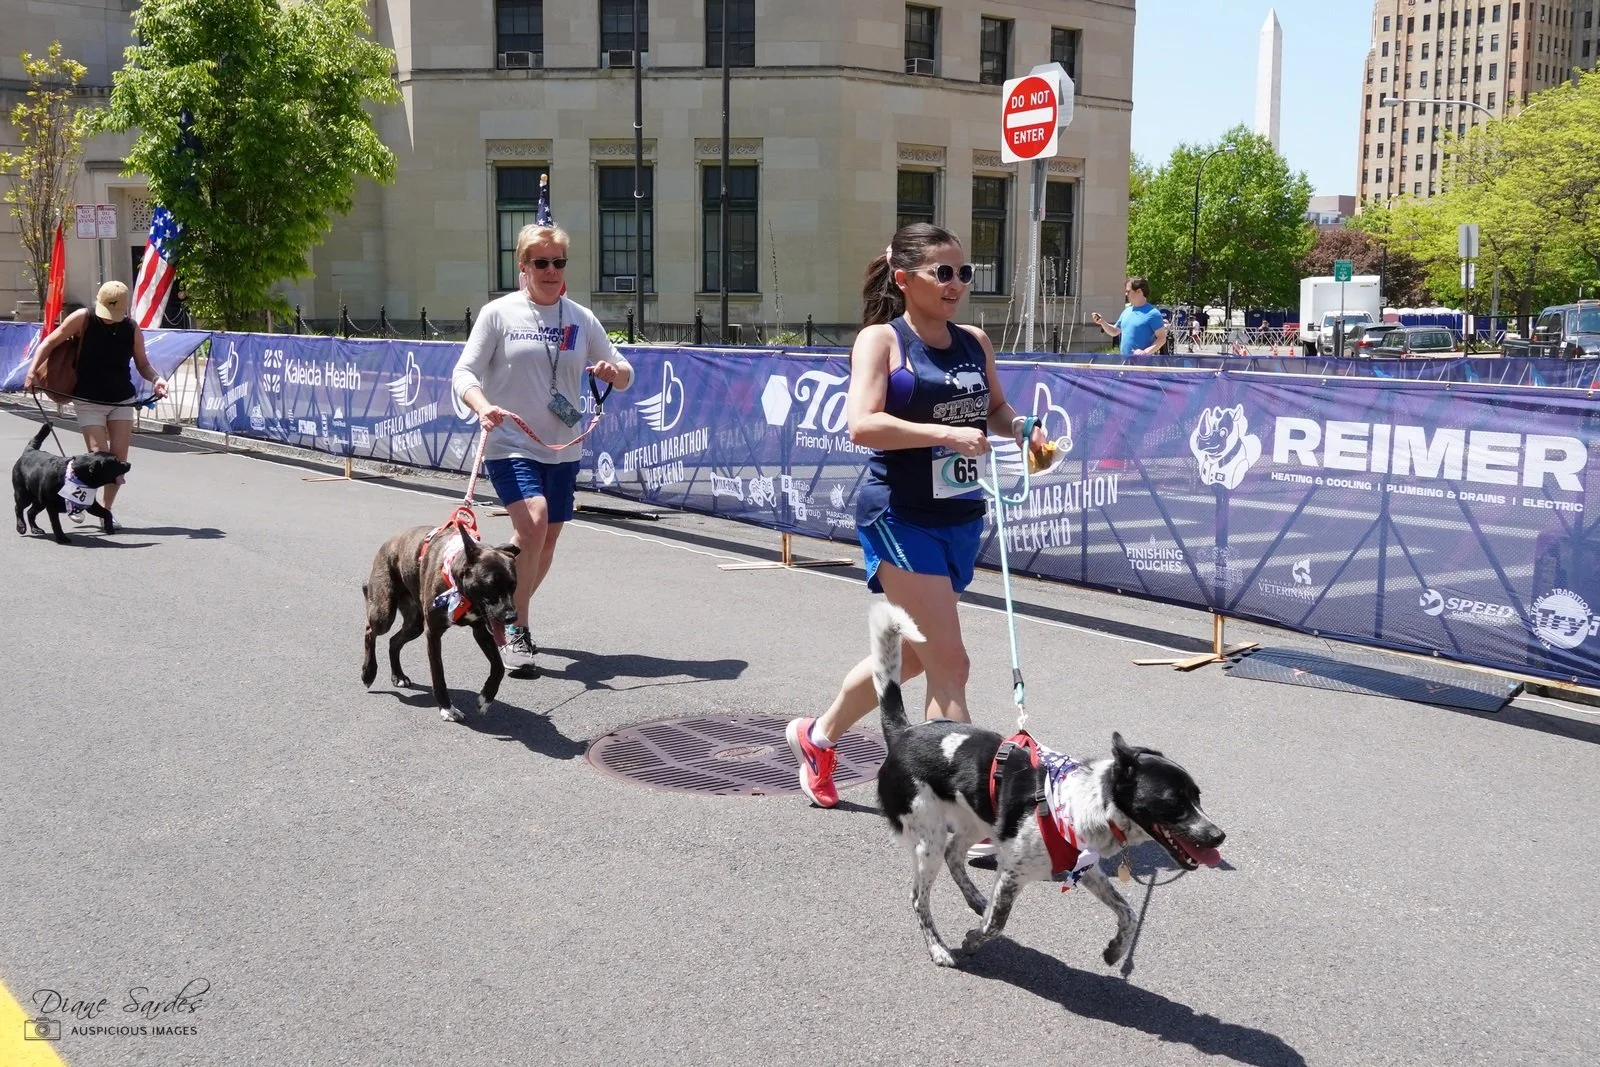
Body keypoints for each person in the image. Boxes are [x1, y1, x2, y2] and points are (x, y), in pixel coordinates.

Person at [785, 222, 1048, 808]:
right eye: (942, 272)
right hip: (899, 517)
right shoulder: (881, 340)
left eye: (964, 272)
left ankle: (817, 737)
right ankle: (962, 808)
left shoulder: (974, 341)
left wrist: (1021, 428)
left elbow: (995, 408)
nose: (956, 284)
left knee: (909, 659)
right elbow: (862, 424)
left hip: (960, 516)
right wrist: (944, 434)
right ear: (904, 279)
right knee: (950, 663)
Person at [452, 223, 634, 677]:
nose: (551, 271)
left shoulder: (580, 318)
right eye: (541, 263)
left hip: (562, 448)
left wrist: (614, 373)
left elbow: (625, 372)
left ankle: (495, 602)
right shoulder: (498, 314)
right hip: (511, 443)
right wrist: (483, 406)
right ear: (523, 266)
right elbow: (463, 374)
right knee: (532, 521)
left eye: (559, 262)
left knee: (546, 538)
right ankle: (517, 629)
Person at [25, 280, 169, 530]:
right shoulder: (83, 318)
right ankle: (76, 503)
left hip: (122, 399)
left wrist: (157, 379)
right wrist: (31, 371)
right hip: (88, 400)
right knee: (97, 457)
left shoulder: (131, 328)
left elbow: (143, 364)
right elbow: (49, 342)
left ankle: (105, 512)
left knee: (117, 462)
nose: (109, 318)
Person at [1091, 276, 1168, 356]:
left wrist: (1145, 352)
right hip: (1124, 362)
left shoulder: (1153, 313)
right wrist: (1102, 322)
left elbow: (1162, 338)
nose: (1126, 294)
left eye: (1128, 291)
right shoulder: (1126, 311)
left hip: (1143, 363)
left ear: (1139, 291)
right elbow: (1114, 331)